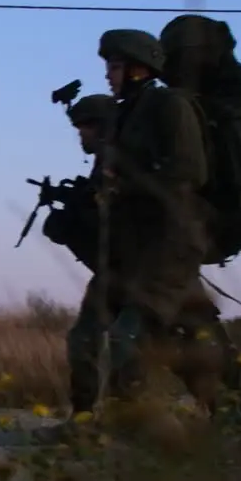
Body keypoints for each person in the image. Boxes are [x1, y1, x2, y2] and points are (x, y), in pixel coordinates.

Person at [54, 29, 211, 428]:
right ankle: (84, 421)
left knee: (133, 339)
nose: (109, 75)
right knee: (84, 338)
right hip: (125, 254)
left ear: (141, 68)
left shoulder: (170, 105)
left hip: (165, 249)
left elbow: (189, 170)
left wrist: (129, 181)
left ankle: (135, 424)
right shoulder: (123, 116)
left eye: (116, 66)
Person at [159, 14, 241, 422]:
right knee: (185, 319)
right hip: (213, 221)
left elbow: (188, 175)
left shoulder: (196, 110)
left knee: (167, 321)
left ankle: (237, 407)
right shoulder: (225, 102)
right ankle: (237, 408)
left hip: (201, 222)